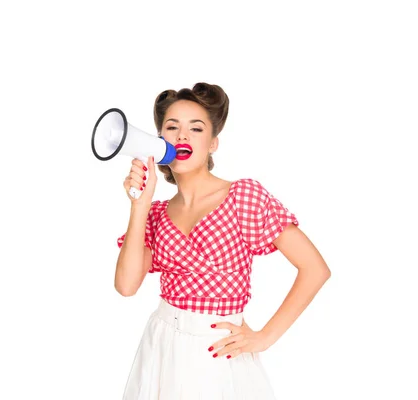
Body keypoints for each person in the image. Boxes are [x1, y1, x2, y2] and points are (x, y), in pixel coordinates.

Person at [115, 82, 331, 399]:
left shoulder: (242, 197)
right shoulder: (156, 213)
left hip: (217, 351)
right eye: (171, 127)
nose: (182, 136)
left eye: (196, 128)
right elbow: (126, 286)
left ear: (213, 143)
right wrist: (139, 204)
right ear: (159, 141)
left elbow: (315, 268)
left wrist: (265, 337)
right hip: (161, 344)